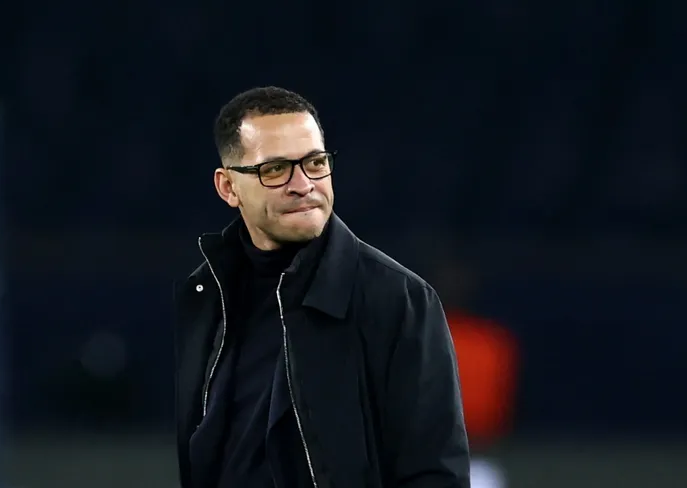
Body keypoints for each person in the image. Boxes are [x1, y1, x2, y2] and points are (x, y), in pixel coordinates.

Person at [173, 86, 470, 488]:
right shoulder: (205, 294)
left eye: (315, 163)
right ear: (228, 187)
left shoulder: (398, 300)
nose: (303, 184)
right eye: (275, 169)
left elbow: (434, 475)